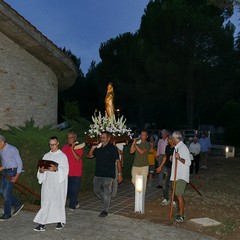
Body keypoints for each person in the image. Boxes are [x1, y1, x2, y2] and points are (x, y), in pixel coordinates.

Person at [33, 136, 69, 231]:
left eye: (53, 144)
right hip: (48, 183)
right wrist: (41, 171)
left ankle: (60, 221)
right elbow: (41, 169)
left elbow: (65, 170)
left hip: (58, 184)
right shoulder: (46, 155)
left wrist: (56, 169)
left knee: (58, 201)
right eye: (50, 144)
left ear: (57, 143)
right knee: (46, 202)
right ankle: (42, 223)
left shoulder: (62, 156)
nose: (52, 146)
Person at [87, 131, 123, 217]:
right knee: (96, 190)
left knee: (107, 191)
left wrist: (120, 174)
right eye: (101, 137)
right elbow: (89, 156)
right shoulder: (98, 148)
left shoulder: (112, 148)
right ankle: (107, 201)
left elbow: (118, 162)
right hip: (98, 173)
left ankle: (105, 210)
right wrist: (92, 148)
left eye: (103, 137)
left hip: (108, 174)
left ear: (108, 138)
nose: (101, 139)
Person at [0, 135, 24, 220]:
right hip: (5, 171)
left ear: (2, 142)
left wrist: (16, 176)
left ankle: (7, 214)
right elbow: (5, 163)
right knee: (2, 191)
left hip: (12, 172)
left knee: (6, 193)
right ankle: (17, 203)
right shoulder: (1, 150)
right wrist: (1, 168)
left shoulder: (12, 149)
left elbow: (20, 163)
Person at [170, 131, 191, 222]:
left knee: (179, 194)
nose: (171, 140)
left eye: (172, 138)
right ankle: (180, 210)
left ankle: (182, 215)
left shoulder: (183, 148)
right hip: (176, 175)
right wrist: (173, 159)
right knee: (176, 194)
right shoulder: (177, 148)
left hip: (181, 176)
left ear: (175, 139)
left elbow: (188, 162)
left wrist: (179, 158)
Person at [62, 131, 84, 210]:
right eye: (68, 138)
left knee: (74, 191)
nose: (69, 139)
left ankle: (72, 207)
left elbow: (78, 158)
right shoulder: (64, 147)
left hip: (76, 173)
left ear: (75, 138)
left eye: (71, 137)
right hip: (66, 173)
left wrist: (72, 149)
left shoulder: (79, 147)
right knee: (67, 191)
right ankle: (75, 202)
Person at [130, 130, 151, 198]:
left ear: (146, 136)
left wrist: (135, 144)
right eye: (141, 135)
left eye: (143, 135)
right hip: (136, 165)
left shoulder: (148, 144)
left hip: (144, 165)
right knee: (133, 180)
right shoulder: (138, 143)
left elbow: (141, 152)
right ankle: (139, 191)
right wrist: (133, 143)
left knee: (143, 182)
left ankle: (141, 197)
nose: (141, 136)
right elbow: (131, 151)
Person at [156, 134, 175, 206]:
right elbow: (165, 157)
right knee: (164, 183)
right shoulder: (167, 147)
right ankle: (166, 198)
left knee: (173, 185)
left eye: (169, 139)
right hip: (167, 167)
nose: (168, 140)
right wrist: (160, 166)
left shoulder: (177, 148)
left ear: (173, 139)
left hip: (174, 168)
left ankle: (174, 199)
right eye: (167, 139)